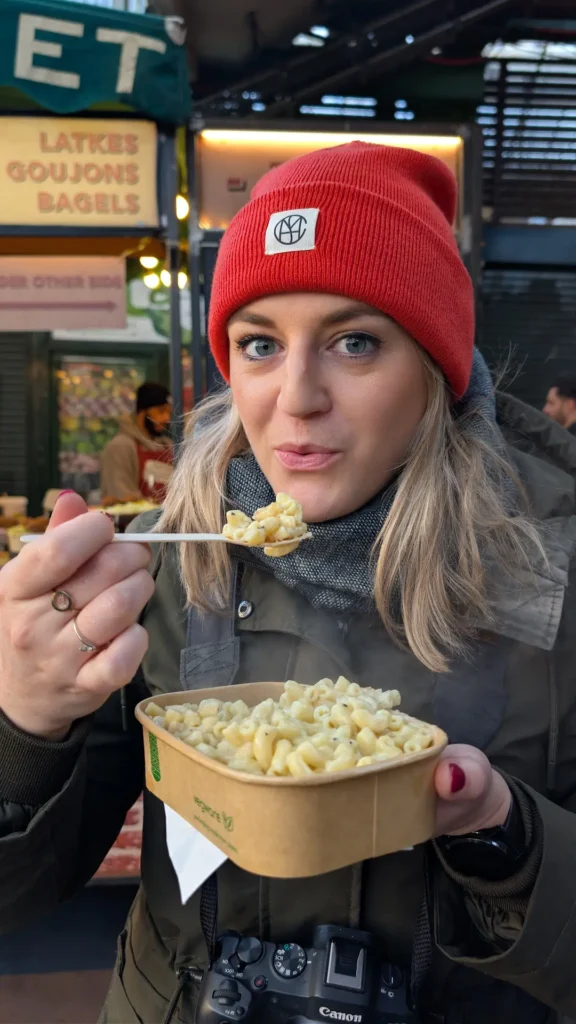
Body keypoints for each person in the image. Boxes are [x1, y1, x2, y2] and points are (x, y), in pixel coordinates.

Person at [0, 143, 575, 1024]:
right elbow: (19, 896)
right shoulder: (156, 567)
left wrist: (511, 845)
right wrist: (24, 728)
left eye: (355, 342)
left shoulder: (552, 572)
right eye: (260, 344)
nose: (296, 397)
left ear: (434, 367)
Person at [100, 382, 173, 501]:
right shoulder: (120, 447)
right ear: (142, 413)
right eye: (161, 411)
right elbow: (121, 495)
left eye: (169, 413)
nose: (167, 418)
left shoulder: (167, 445)